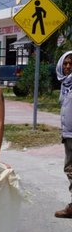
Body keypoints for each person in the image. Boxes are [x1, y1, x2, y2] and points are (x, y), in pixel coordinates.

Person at [55, 50, 72, 218]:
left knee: (71, 169)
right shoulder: (66, 84)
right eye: (65, 63)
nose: (67, 67)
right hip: (68, 134)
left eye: (71, 64)